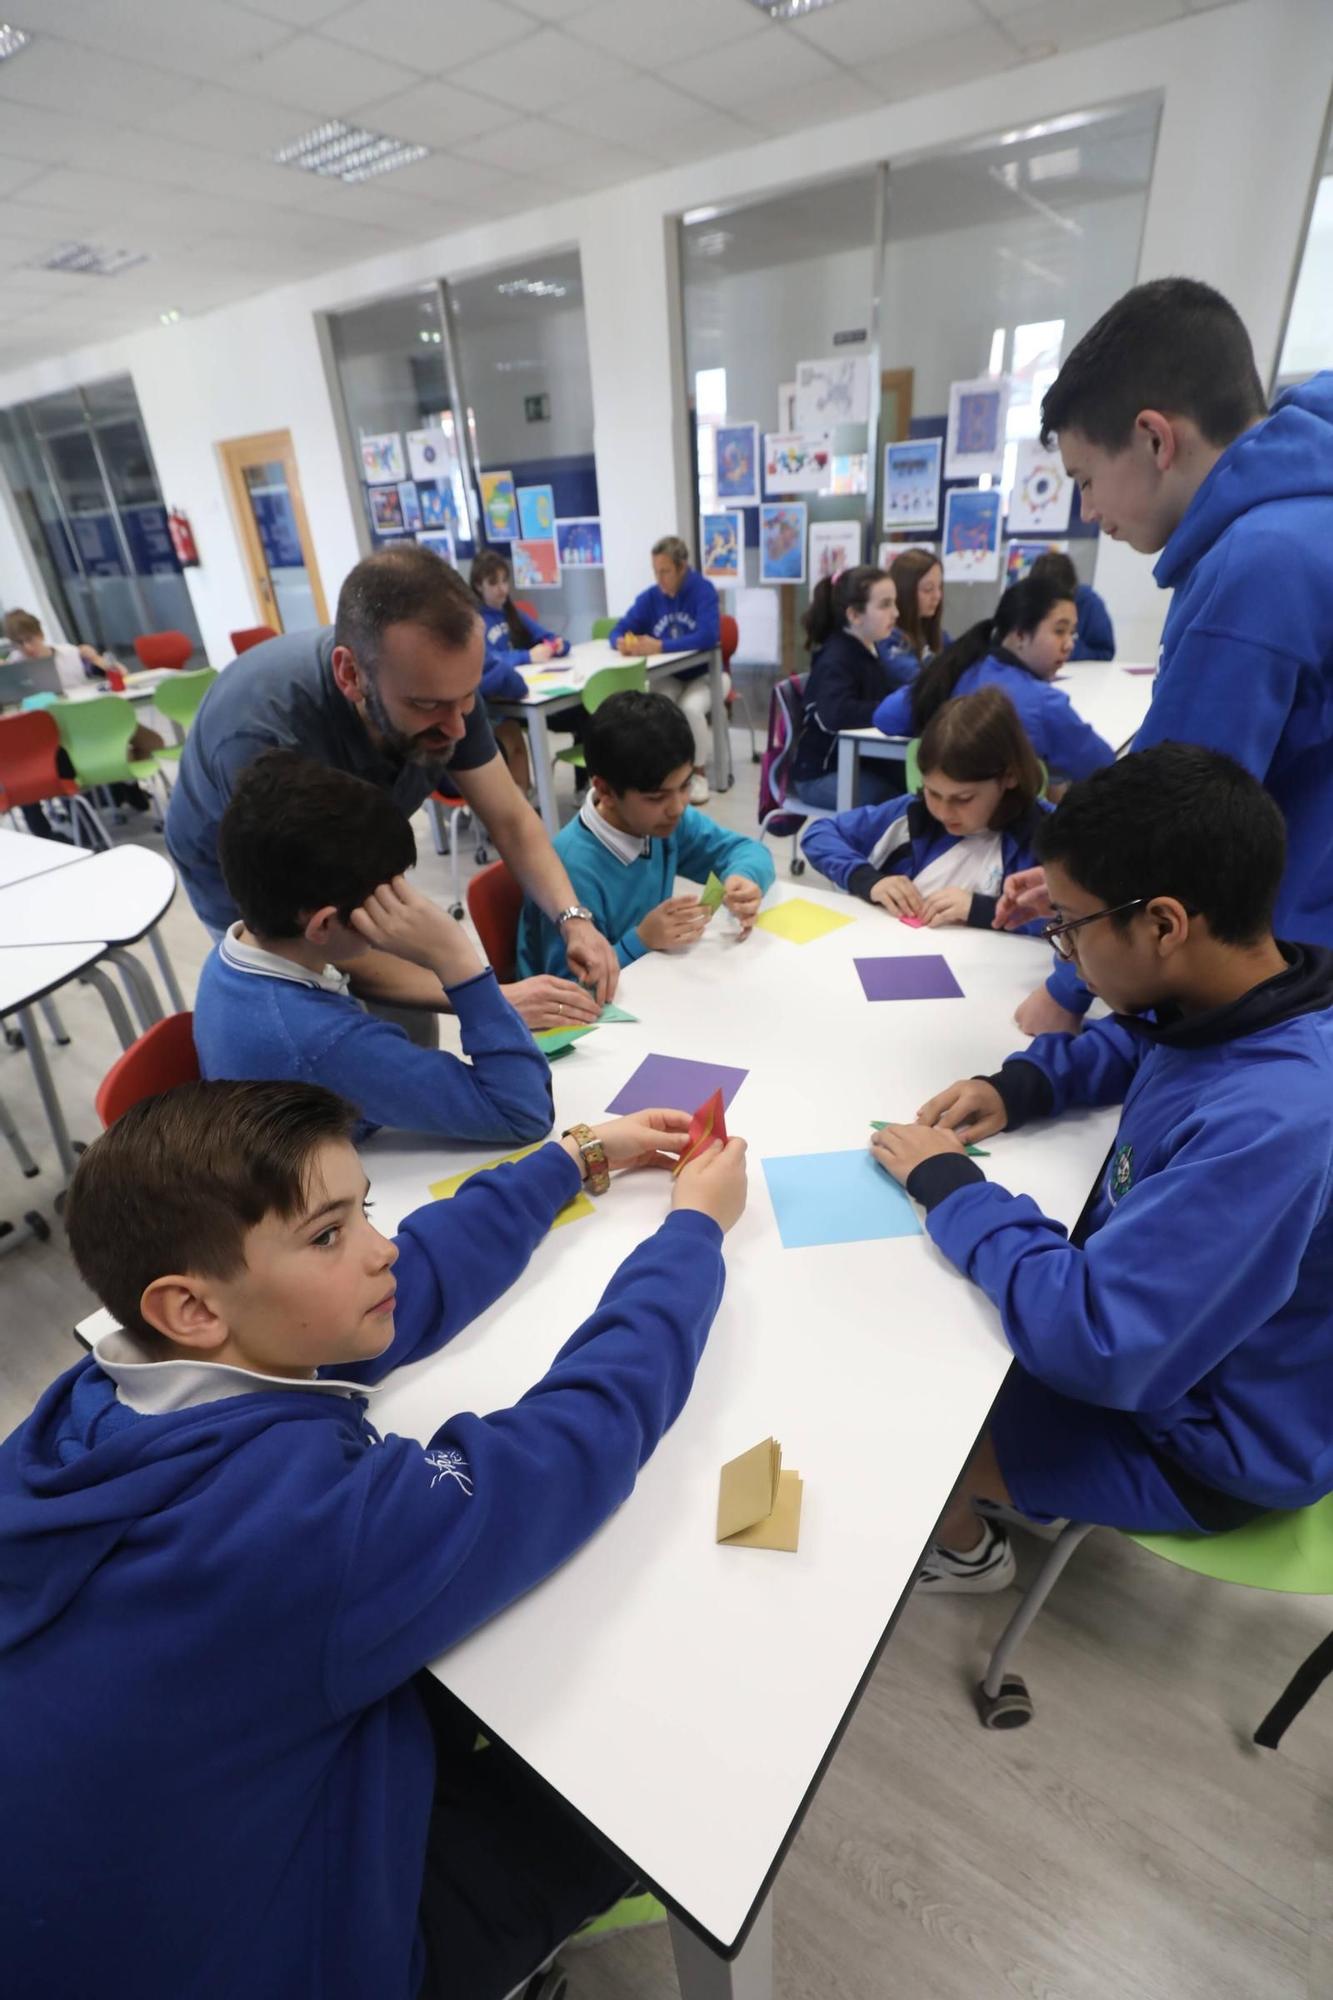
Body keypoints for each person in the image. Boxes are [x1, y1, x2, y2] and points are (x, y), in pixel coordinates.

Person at [0, 1076, 748, 1998]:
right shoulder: (314, 1534)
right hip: (282, 1965)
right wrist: (693, 1234)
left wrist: (576, 1158)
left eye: (364, 1211)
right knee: (637, 1783)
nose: (380, 1247)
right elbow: (579, 1439)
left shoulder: (90, 1400)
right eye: (329, 1234)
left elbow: (397, 1284)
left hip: (86, 1905)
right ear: (189, 1307)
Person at [872, 746, 1333, 1592]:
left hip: (1209, 1443)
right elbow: (1151, 1034)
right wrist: (1025, 1082)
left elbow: (1098, 1342)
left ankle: (968, 1552)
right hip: (1174, 1355)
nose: (1064, 951)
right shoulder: (1250, 989)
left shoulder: (1275, 1122)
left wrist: (955, 1193)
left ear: (1161, 924)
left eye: (1070, 925)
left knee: (888, 1415)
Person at [1002, 277, 1333, 1037]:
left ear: (1155, 438)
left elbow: (1171, 820)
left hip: (1287, 980)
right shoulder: (1306, 519)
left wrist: (1065, 984)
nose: (1087, 511)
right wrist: (1074, 890)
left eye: (1085, 479)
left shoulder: (1254, 566)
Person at [164, 546, 618, 1030]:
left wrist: (574, 919)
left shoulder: (440, 688)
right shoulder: (264, 739)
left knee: (409, 1010)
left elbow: (509, 819)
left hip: (340, 854)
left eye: (466, 700)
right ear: (350, 675)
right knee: (320, 1018)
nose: (458, 729)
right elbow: (318, 928)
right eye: (428, 705)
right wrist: (484, 995)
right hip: (243, 875)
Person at [194, 751, 553, 1145]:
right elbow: (522, 1111)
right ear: (324, 924)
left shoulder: (237, 954)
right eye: (389, 893)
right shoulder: (325, 1043)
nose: (405, 902)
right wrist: (456, 959)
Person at [516, 690, 774, 978]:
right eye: (656, 797)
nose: (677, 807)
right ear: (605, 791)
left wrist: (743, 877)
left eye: (685, 785)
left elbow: (750, 851)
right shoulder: (571, 869)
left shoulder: (661, 822)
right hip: (581, 1016)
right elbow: (570, 992)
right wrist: (640, 941)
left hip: (646, 986)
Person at [801, 688, 1050, 930]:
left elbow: (1075, 916)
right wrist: (868, 880)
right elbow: (820, 834)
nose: (943, 812)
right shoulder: (912, 813)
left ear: (1010, 777)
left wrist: (984, 910)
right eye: (933, 792)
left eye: (963, 799)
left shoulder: (1047, 832)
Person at [873, 573, 1114, 786]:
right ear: (1019, 634)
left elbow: (885, 717)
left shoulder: (953, 671)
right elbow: (1104, 766)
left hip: (936, 819)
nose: (1069, 644)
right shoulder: (1045, 704)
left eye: (1072, 633)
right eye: (1059, 631)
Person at [2, 606, 162, 836]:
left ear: (41, 634)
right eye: (19, 643)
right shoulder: (15, 666)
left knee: (152, 741)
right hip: (55, 733)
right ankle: (114, 789)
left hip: (96, 720)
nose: (27, 648)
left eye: (30, 639)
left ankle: (125, 783)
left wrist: (95, 658)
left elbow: (119, 674)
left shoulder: (70, 653)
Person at [608, 535, 723, 805]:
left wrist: (660, 646)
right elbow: (618, 630)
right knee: (657, 707)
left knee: (690, 708)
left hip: (707, 675)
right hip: (671, 676)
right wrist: (622, 642)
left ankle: (698, 773)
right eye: (656, 571)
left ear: (682, 567)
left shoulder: (702, 591)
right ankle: (666, 769)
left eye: (665, 571)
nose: (660, 578)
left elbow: (708, 636)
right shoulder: (650, 598)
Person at [790, 565, 902, 808]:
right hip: (820, 776)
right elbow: (835, 714)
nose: (896, 613)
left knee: (914, 787)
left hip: (853, 766)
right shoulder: (837, 657)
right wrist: (889, 711)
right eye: (885, 605)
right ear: (854, 615)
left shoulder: (868, 648)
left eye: (894, 603)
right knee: (897, 803)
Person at [469, 550, 571, 797]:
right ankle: (526, 797)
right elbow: (489, 660)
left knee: (576, 714)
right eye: (493, 583)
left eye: (505, 581)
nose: (502, 589)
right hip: (498, 701)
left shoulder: (512, 612)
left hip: (526, 691)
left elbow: (547, 636)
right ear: (477, 587)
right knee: (510, 731)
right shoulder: (475, 621)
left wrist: (556, 645)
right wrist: (527, 656)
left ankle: (539, 795)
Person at [1028, 549, 1115, 662]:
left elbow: (1105, 653)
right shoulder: (1025, 601)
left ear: (1072, 589)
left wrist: (1067, 649)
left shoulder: (1089, 603)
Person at [878, 547, 949, 682]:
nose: (937, 596)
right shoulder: (889, 637)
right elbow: (919, 682)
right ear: (904, 591)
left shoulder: (931, 630)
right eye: (928, 589)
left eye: (939, 587)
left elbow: (961, 656)